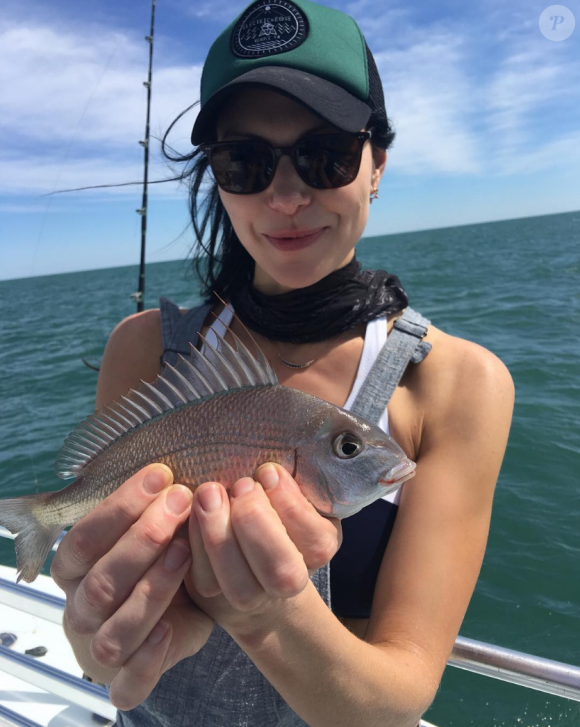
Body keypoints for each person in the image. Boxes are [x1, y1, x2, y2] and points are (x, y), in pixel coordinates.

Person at [51, 0, 515, 725]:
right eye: (247, 162)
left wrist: (267, 614)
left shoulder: (458, 384)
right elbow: (100, 649)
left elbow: (398, 699)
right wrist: (102, 634)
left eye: (326, 153)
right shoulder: (144, 348)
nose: (288, 195)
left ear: (376, 165)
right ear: (218, 176)